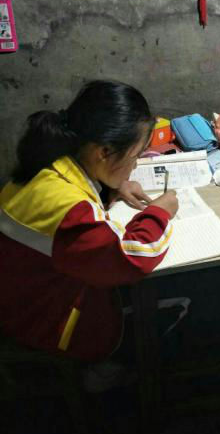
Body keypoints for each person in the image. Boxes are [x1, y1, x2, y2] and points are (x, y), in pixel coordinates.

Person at [0, 80, 178, 389]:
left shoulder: (50, 163)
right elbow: (132, 258)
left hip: (25, 295)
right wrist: (160, 212)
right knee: (175, 301)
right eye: (135, 156)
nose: (135, 165)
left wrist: (111, 187)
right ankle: (101, 375)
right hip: (42, 319)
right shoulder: (70, 210)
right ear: (104, 152)